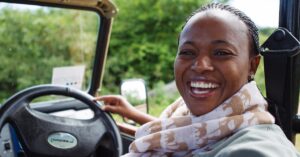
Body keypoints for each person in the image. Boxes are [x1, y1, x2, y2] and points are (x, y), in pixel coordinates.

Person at [95, 3, 300, 157]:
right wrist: (132, 113)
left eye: (221, 52)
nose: (200, 65)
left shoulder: (255, 149)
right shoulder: (192, 116)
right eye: (187, 52)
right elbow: (192, 131)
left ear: (252, 66)